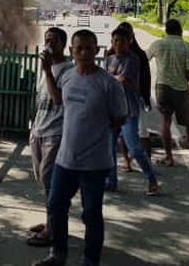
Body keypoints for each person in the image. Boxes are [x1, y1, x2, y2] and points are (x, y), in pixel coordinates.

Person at [34, 30, 127, 266]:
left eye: (89, 48)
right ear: (72, 52)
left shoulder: (108, 84)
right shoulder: (67, 78)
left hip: (95, 163)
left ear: (96, 51)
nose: (84, 53)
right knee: (56, 206)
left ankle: (90, 260)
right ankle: (58, 254)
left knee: (91, 214)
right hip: (66, 159)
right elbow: (57, 101)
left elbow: (119, 118)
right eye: (79, 49)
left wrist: (94, 129)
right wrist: (46, 71)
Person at [27, 27, 73, 247]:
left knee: (50, 181)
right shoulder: (45, 68)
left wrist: (46, 71)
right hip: (38, 130)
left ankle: (53, 230)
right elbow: (40, 100)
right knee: (43, 181)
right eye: (46, 40)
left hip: (55, 133)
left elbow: (58, 101)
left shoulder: (68, 71)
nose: (48, 45)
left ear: (63, 45)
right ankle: (50, 222)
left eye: (53, 41)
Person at [105, 27, 159, 195]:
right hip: (112, 109)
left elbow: (122, 81)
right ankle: (111, 180)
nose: (117, 44)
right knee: (109, 147)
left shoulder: (133, 59)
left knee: (134, 147)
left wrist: (110, 78)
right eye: (114, 41)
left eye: (121, 41)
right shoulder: (110, 59)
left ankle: (151, 178)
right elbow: (110, 81)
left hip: (128, 110)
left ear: (129, 42)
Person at [147, 19, 189, 167]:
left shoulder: (158, 44)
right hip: (181, 89)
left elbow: (144, 58)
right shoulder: (186, 47)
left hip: (162, 87)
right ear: (180, 30)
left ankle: (168, 157)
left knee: (166, 122)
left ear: (166, 30)